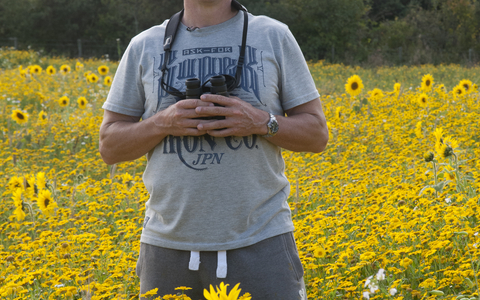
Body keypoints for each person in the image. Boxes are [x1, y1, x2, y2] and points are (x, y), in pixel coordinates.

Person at [99, 0, 329, 299]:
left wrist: (261, 122)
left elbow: (316, 135)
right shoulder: (145, 45)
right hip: (167, 247)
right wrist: (163, 122)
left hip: (262, 243)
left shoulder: (273, 35)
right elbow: (109, 147)